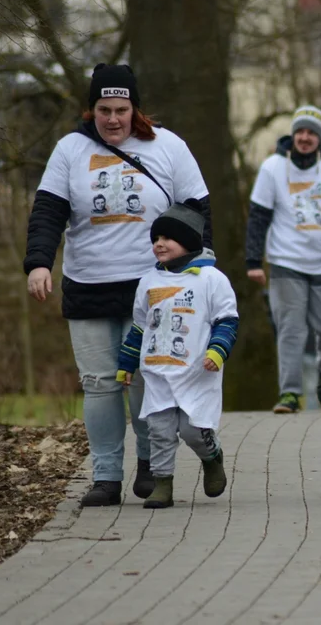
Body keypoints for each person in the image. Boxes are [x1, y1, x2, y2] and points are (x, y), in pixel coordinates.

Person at [24, 63, 213, 507]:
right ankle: (106, 476)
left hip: (152, 286)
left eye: (121, 109)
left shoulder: (167, 147)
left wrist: (201, 266)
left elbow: (197, 210)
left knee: (147, 380)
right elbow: (48, 211)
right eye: (103, 109)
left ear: (135, 109)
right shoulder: (70, 149)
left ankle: (149, 463)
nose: (112, 119)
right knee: (99, 384)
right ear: (90, 110)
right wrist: (38, 263)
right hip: (87, 283)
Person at [115, 200, 238, 509]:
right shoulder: (149, 282)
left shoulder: (211, 280)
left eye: (167, 238)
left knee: (192, 430)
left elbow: (227, 321)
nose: (159, 244)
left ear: (189, 241)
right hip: (157, 372)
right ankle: (163, 484)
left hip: (197, 372)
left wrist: (218, 351)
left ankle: (212, 457)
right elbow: (141, 328)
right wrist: (126, 363)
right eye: (155, 239)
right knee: (159, 431)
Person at [245, 105, 321, 414]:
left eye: (311, 133)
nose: (305, 138)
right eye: (300, 132)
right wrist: (254, 262)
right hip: (285, 261)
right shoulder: (272, 168)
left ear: (320, 138)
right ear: (292, 135)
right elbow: (258, 217)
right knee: (291, 329)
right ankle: (289, 394)